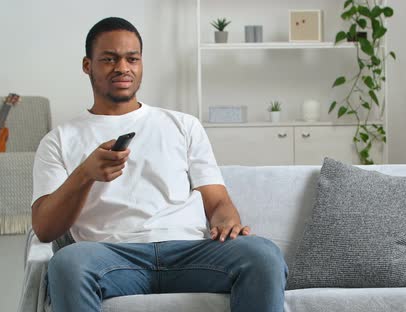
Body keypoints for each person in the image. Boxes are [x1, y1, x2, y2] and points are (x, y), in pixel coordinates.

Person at [31, 17, 287, 312]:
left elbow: (217, 202)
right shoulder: (59, 140)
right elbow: (45, 229)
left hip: (190, 254)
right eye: (109, 59)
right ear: (87, 65)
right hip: (111, 257)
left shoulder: (182, 125)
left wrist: (226, 223)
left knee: (263, 255)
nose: (123, 68)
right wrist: (85, 175)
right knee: (66, 264)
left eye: (132, 59)